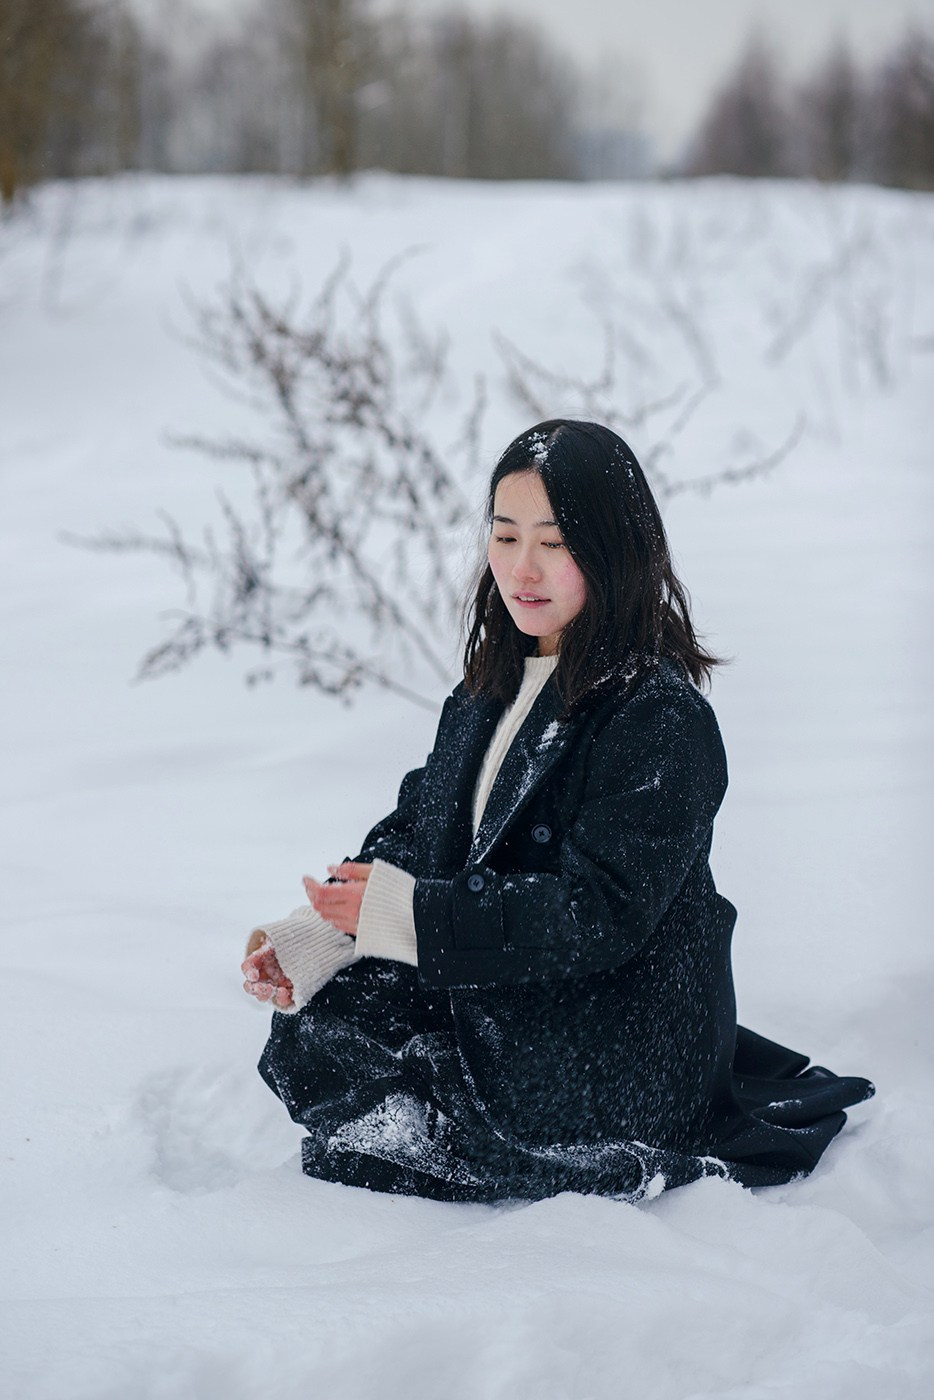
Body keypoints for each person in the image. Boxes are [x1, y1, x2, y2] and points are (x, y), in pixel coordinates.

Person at [241, 419, 873, 1203]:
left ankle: (476, 1146)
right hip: (517, 977)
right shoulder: (488, 690)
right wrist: (324, 933)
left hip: (613, 1024)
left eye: (555, 540)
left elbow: (598, 913)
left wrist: (406, 919)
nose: (523, 568)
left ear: (614, 550)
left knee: (418, 1064)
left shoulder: (658, 717)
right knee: (325, 1016)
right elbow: (420, 832)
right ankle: (439, 1132)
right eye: (505, 537)